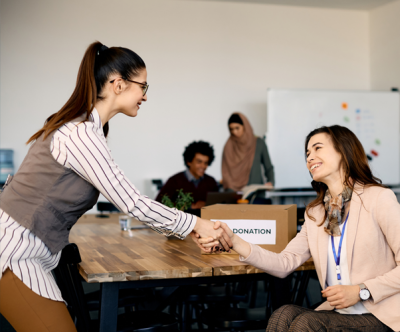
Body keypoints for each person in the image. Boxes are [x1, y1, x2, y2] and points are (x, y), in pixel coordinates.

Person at [0, 41, 231, 332]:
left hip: (29, 250)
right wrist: (195, 224)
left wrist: (189, 226)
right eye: (143, 87)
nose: (145, 96)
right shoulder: (80, 134)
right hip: (13, 251)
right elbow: (132, 202)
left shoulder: (89, 130)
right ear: (118, 84)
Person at [203, 125, 400, 332]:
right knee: (283, 315)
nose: (310, 156)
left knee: (306, 323)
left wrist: (360, 290)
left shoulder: (379, 198)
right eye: (307, 153)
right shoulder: (317, 213)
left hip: (382, 313)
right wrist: (234, 240)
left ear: (344, 151)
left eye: (317, 148)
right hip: (340, 312)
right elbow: (284, 263)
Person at [156, 140, 218, 210]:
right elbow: (159, 204)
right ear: (189, 161)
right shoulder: (174, 181)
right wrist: (189, 206)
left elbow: (218, 204)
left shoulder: (211, 181)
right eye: (199, 162)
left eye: (206, 163)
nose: (203, 166)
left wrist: (206, 204)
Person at [222, 113, 274, 192]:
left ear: (245, 126)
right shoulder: (228, 146)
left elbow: (268, 167)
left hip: (256, 195)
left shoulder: (258, 143)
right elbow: (225, 172)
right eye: (231, 129)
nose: (235, 132)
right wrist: (230, 189)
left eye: (237, 128)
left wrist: (271, 182)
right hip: (235, 195)